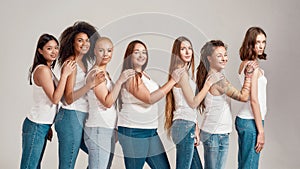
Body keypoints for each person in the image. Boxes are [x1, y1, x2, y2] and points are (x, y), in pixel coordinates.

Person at [117, 40, 184, 169]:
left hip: (150, 131)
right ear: (129, 56)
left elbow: (158, 94)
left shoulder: (145, 75)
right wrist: (172, 81)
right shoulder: (130, 76)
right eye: (137, 52)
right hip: (134, 131)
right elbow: (149, 98)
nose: (141, 55)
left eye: (144, 52)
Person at [195, 40, 256, 169]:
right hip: (215, 135)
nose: (224, 58)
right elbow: (243, 96)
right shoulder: (218, 79)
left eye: (225, 54)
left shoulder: (215, 75)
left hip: (217, 133)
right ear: (209, 58)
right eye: (219, 56)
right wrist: (249, 75)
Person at [164, 36, 223, 169]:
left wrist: (195, 127)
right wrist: (208, 84)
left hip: (186, 125)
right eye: (183, 49)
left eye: (189, 48)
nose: (187, 52)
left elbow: (188, 105)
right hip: (183, 125)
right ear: (177, 52)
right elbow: (193, 103)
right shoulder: (181, 74)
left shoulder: (184, 73)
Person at [20, 34, 76, 169]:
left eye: (56, 48)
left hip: (42, 125)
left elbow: (57, 99)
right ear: (40, 50)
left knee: (34, 165)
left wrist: (49, 125)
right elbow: (55, 98)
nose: (54, 52)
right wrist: (65, 75)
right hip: (36, 125)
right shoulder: (42, 70)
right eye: (49, 48)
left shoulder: (48, 70)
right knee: (29, 166)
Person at [54, 21, 105, 169]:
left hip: (81, 117)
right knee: (68, 164)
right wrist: (90, 84)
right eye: (80, 40)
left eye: (87, 40)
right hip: (70, 117)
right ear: (72, 43)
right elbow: (68, 98)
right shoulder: (71, 63)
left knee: (99, 155)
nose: (85, 43)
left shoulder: (83, 64)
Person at [84, 37, 135, 169]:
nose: (106, 54)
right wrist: (120, 81)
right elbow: (107, 102)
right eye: (101, 50)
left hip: (106, 130)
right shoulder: (96, 74)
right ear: (94, 51)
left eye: (109, 50)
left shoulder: (105, 73)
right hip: (98, 129)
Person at [235, 27, 268, 169]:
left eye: (264, 42)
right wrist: (261, 131)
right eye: (257, 42)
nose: (261, 46)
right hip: (251, 121)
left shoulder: (244, 64)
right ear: (251, 43)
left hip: (244, 119)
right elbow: (253, 99)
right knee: (250, 166)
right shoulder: (253, 67)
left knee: (244, 164)